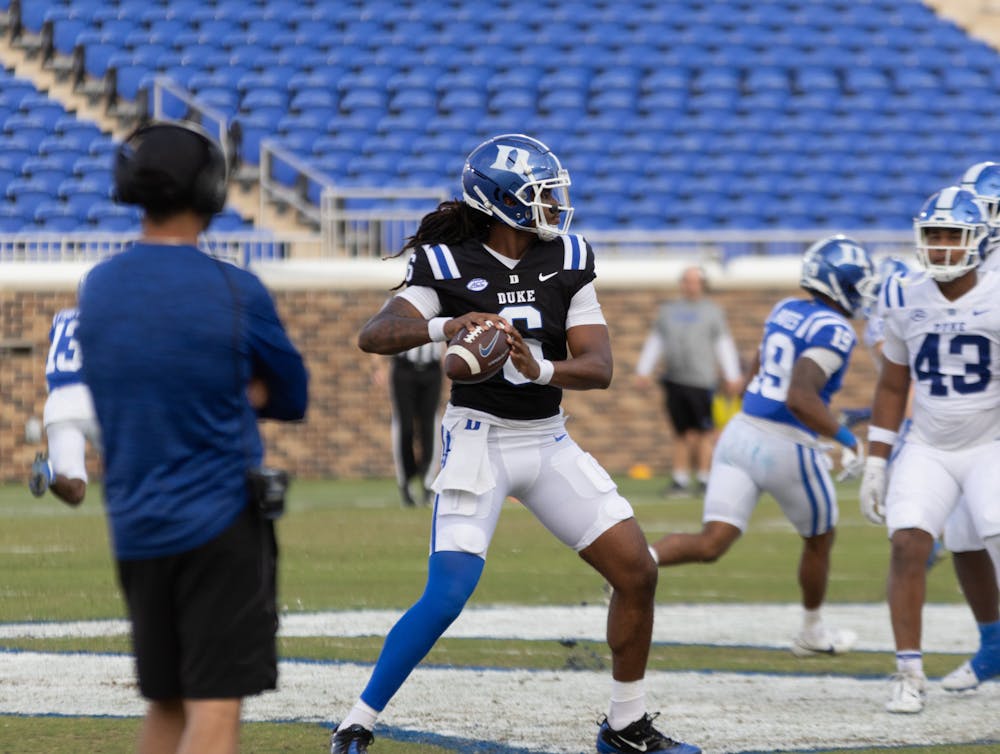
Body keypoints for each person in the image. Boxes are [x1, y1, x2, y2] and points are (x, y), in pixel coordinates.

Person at [331, 134, 700, 754]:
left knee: (636, 570)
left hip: (547, 439)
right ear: (499, 200)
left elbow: (600, 365)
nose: (553, 205)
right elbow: (376, 334)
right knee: (447, 594)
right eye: (539, 195)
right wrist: (445, 324)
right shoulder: (445, 262)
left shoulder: (569, 257)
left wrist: (540, 369)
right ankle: (357, 721)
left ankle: (626, 727)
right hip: (479, 439)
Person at [76, 120, 309, 753]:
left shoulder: (97, 288)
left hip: (134, 522)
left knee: (165, 704)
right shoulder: (235, 289)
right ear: (211, 189)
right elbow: (292, 396)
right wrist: (237, 390)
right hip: (219, 523)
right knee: (215, 708)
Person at [648, 235, 877, 658]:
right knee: (820, 537)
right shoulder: (836, 330)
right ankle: (812, 630)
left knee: (712, 541)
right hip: (787, 444)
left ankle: (638, 562)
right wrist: (847, 441)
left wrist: (747, 406)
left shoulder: (785, 308)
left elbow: (758, 365)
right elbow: (800, 397)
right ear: (840, 282)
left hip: (742, 431)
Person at [858, 186, 1000, 714]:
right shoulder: (905, 297)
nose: (941, 246)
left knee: (996, 531)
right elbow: (893, 387)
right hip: (929, 445)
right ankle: (908, 672)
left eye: (952, 236)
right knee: (908, 542)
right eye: (933, 236)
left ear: (976, 240)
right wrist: (877, 460)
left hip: (990, 443)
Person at [634, 266, 742, 495]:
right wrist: (643, 370)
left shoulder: (712, 311)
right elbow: (657, 341)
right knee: (681, 432)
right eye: (686, 281)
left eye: (694, 281)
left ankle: (704, 478)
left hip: (702, 380)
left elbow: (723, 344)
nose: (689, 285)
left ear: (703, 285)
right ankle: (680, 479)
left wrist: (732, 375)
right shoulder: (669, 311)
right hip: (675, 379)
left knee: (704, 431)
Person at [29, 304, 100, 506]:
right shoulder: (106, 312)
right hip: (92, 397)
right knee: (139, 466)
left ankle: (48, 474)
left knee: (75, 491)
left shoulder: (62, 317)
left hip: (58, 404)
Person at [371, 341, 444, 507]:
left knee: (430, 426)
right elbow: (382, 329)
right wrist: (377, 366)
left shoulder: (440, 313)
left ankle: (428, 483)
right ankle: (406, 481)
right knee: (405, 427)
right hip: (404, 369)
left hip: (432, 369)